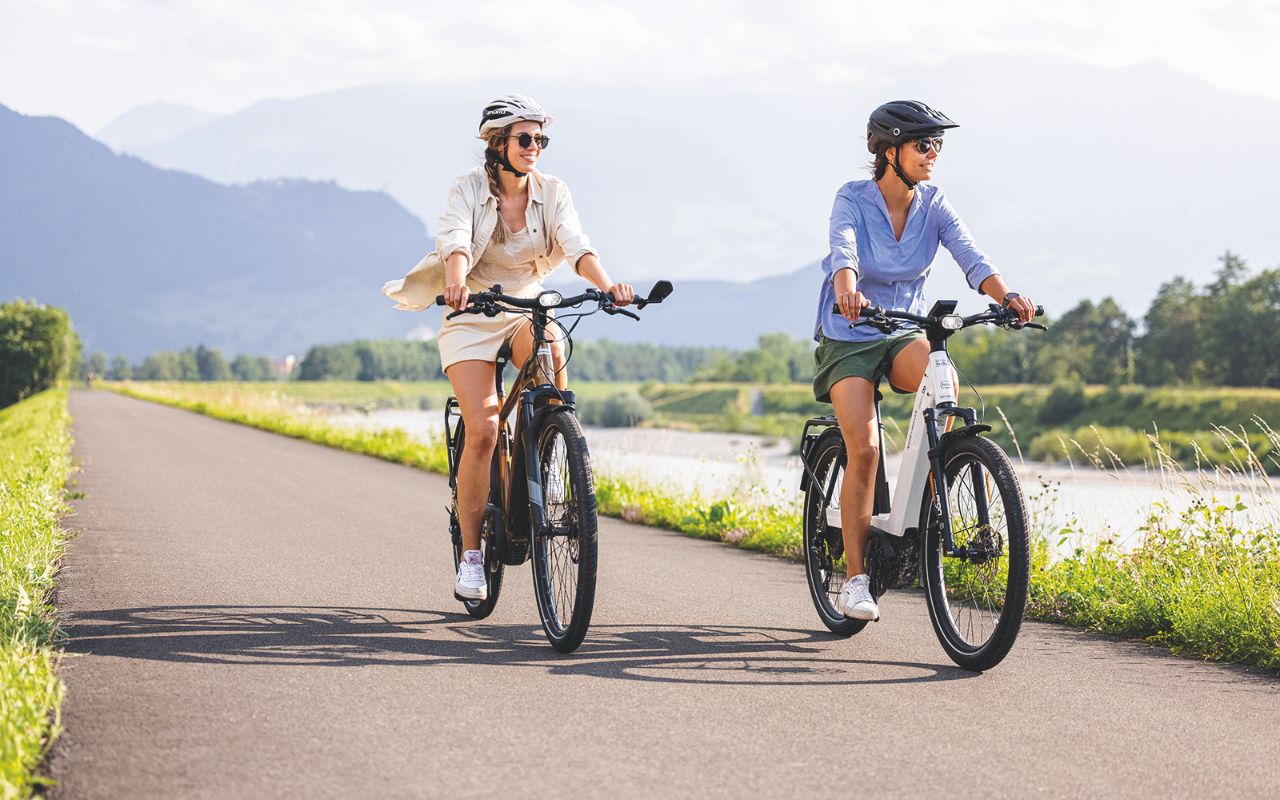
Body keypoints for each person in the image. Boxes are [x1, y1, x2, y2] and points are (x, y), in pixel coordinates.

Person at [812, 100, 1036, 622]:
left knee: (944, 384)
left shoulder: (934, 203)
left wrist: (1006, 296)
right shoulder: (852, 197)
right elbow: (843, 249)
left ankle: (928, 512)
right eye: (922, 144)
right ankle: (855, 579)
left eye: (938, 144)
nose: (933, 153)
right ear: (890, 151)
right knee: (865, 450)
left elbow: (970, 255)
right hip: (850, 332)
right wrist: (847, 289)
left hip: (903, 330)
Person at [438, 95, 634, 601]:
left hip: (527, 303)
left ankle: (549, 458)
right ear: (498, 143)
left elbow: (576, 245)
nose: (535, 147)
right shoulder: (468, 188)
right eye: (525, 138)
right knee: (484, 429)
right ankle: (472, 557)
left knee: (552, 368)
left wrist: (608, 285)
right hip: (473, 309)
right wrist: (456, 282)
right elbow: (456, 240)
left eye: (541, 139)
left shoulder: (553, 191)